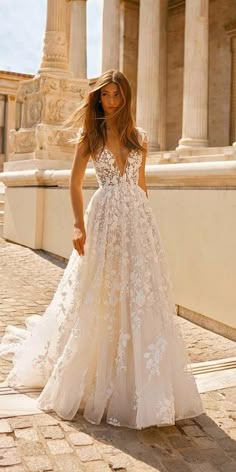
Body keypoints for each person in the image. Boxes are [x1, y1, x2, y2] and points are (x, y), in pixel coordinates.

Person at [0, 69, 204, 429]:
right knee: (101, 290)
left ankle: (143, 381)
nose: (110, 101)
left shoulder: (139, 137)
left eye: (116, 95)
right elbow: (75, 184)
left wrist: (147, 230)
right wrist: (78, 224)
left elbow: (141, 186)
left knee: (139, 293)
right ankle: (94, 370)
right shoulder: (90, 136)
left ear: (125, 97)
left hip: (137, 222)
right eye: (104, 95)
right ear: (97, 98)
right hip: (104, 218)